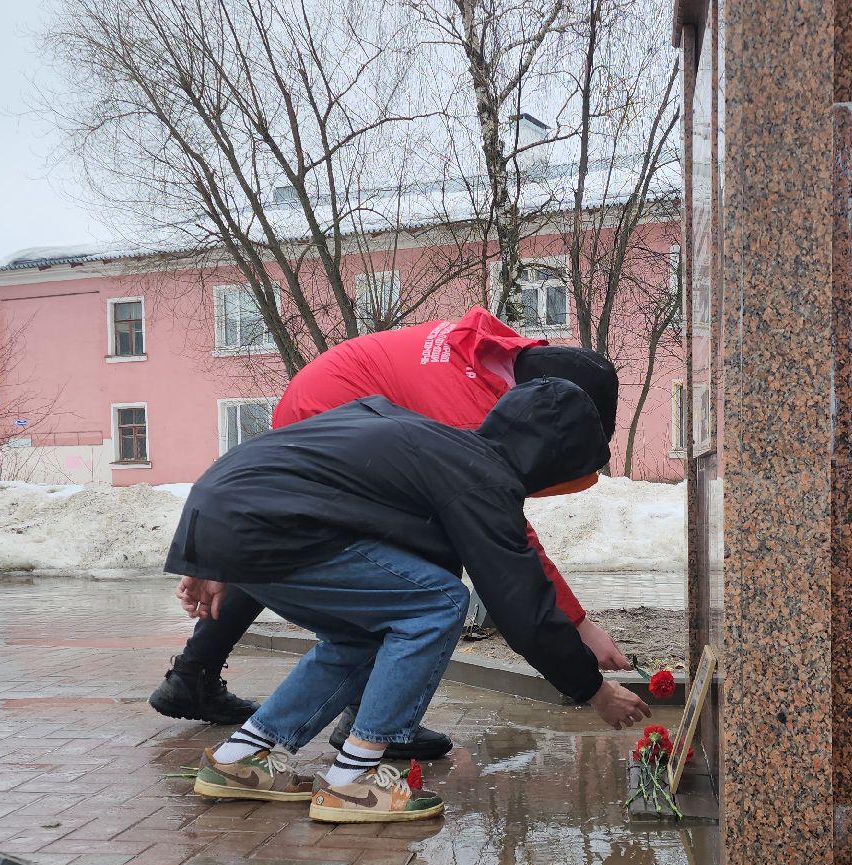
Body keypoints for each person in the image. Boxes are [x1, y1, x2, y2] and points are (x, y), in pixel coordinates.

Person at [148, 307, 635, 760]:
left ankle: (242, 748)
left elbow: (241, 480)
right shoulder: (466, 421)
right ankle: (363, 756)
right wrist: (584, 662)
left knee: (372, 612)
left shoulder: (504, 362)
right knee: (433, 598)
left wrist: (209, 553)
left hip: (258, 483)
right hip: (318, 422)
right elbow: (507, 561)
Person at [167, 377, 653, 821]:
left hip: (228, 508)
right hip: (262, 524)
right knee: (437, 603)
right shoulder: (480, 477)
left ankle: (240, 758)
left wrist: (208, 548)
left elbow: (278, 461)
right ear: (557, 457)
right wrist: (593, 690)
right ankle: (354, 779)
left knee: (360, 633)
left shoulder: (428, 443)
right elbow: (519, 602)